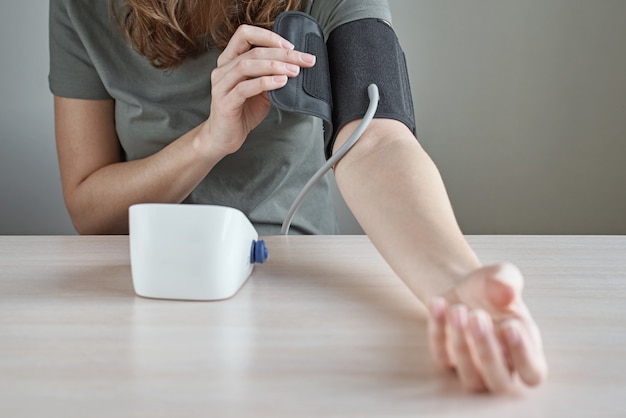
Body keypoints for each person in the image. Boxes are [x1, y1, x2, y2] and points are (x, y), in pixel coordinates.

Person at [49, 0, 547, 393]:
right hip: (140, 286)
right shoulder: (84, 7)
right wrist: (209, 142)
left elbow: (375, 138)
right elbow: (89, 205)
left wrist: (453, 281)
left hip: (290, 275)